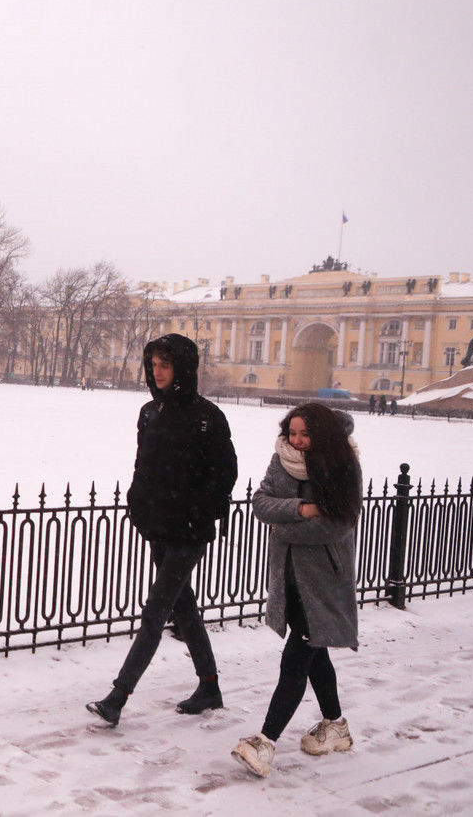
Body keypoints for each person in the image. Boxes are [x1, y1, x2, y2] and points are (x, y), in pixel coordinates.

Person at [86, 333, 238, 726]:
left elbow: (224, 474)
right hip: (158, 526)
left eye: (165, 365)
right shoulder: (149, 412)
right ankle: (209, 686)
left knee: (155, 612)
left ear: (182, 368)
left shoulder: (208, 417)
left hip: (189, 532)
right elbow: (144, 467)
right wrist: (138, 506)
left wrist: (199, 515)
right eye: (153, 364)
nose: (157, 372)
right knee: (184, 608)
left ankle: (118, 696)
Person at [231, 403, 361, 778]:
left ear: (321, 434)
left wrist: (284, 527)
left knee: (295, 661)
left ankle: (265, 742)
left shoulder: (342, 465)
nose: (299, 441)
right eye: (293, 433)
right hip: (288, 577)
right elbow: (260, 502)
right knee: (314, 655)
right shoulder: (281, 459)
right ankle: (335, 725)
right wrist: (302, 508)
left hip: (323, 581)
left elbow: (337, 524)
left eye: (306, 434)